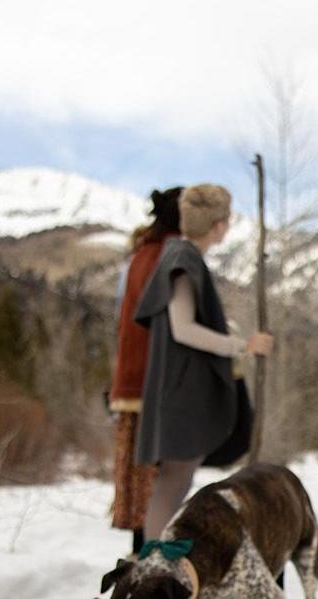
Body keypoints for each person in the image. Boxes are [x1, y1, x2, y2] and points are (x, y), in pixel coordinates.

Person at [133, 183, 273, 541]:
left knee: (178, 477)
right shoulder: (183, 260)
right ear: (217, 224)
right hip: (182, 390)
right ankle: (154, 563)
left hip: (181, 386)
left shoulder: (181, 256)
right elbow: (183, 329)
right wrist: (241, 345)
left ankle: (157, 562)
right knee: (175, 478)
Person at [108, 186, 181, 551]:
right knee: (157, 476)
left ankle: (143, 551)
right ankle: (150, 555)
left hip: (131, 377)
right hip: (155, 379)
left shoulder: (139, 256)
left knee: (143, 475)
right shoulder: (167, 257)